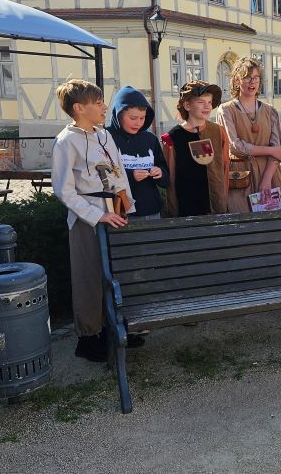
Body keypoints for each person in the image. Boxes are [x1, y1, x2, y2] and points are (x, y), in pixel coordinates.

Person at [51, 78, 136, 363]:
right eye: (97, 103)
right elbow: (63, 190)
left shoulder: (104, 135)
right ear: (78, 108)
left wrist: (127, 206)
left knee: (119, 271)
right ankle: (90, 337)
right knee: (89, 277)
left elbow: (118, 171)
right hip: (89, 219)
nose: (104, 107)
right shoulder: (66, 141)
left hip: (116, 211)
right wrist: (97, 215)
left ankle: (120, 325)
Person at [216, 57, 281, 213]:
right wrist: (269, 150)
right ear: (237, 81)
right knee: (242, 221)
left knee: (274, 223)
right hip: (241, 176)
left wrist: (266, 179)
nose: (252, 82)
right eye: (247, 78)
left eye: (256, 78)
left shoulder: (270, 111)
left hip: (269, 173)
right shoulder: (226, 110)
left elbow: (277, 148)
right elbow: (235, 147)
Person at [160, 80, 230, 217]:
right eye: (201, 102)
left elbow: (225, 167)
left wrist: (222, 199)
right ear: (187, 105)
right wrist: (174, 211)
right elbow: (171, 179)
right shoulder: (172, 138)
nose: (207, 106)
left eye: (209, 102)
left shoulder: (218, 132)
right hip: (186, 208)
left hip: (215, 206)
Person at [106, 86, 168, 221]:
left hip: (151, 210)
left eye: (142, 118)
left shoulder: (150, 138)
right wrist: (130, 176)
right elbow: (102, 176)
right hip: (120, 212)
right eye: (133, 118)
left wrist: (160, 173)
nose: (138, 123)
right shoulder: (105, 138)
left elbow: (165, 174)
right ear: (118, 114)